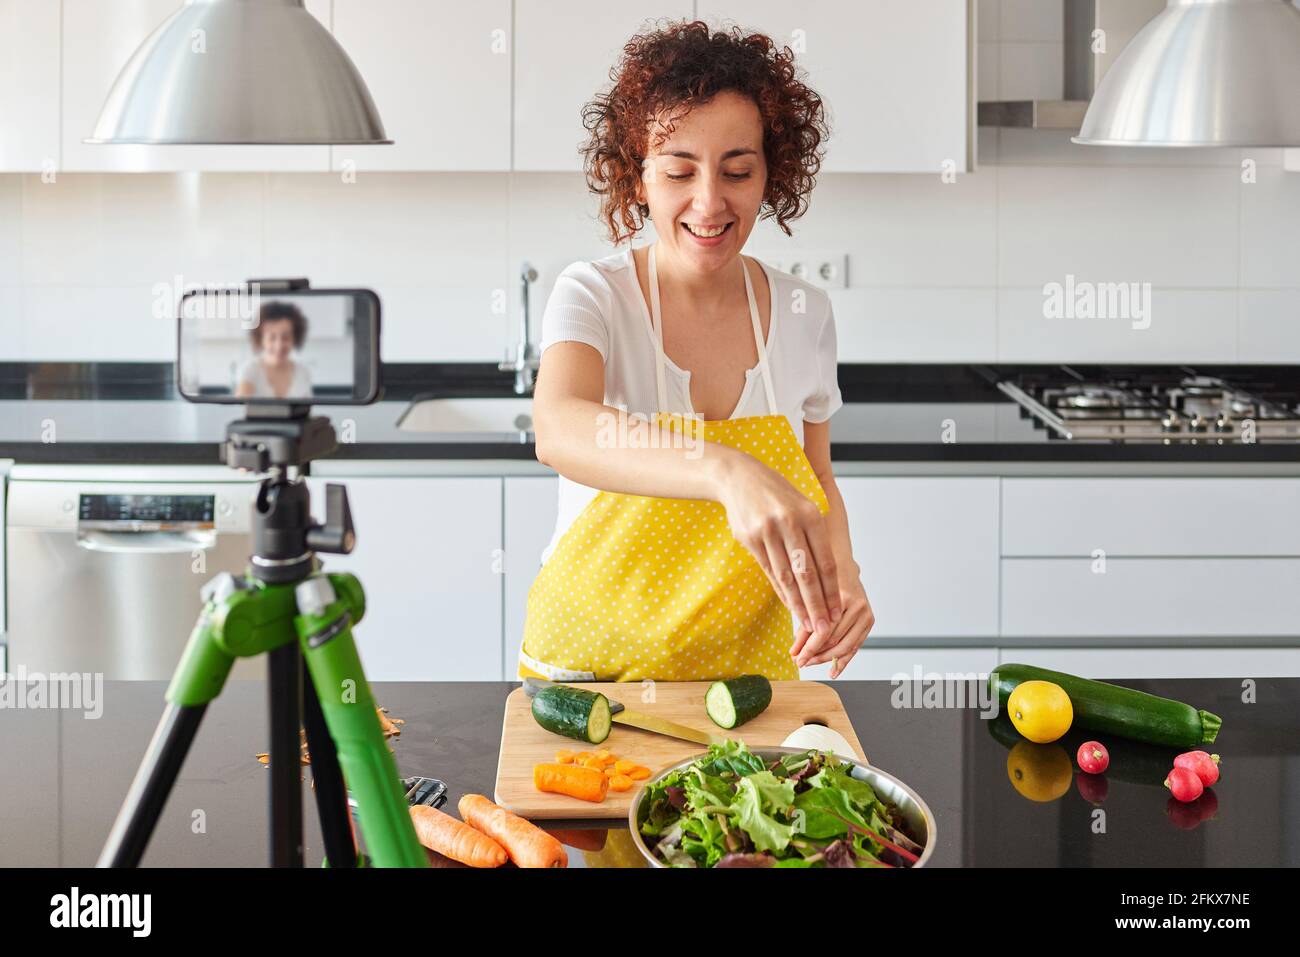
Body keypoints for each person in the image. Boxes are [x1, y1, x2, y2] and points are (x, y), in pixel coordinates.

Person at [520, 20, 874, 683]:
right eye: (679, 170)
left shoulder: (807, 314)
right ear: (638, 178)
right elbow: (559, 424)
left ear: (772, 174)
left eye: (737, 170)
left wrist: (842, 571)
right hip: (591, 669)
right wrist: (725, 470)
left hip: (751, 677)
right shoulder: (594, 295)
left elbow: (818, 475)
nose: (709, 201)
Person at [235, 301, 313, 400]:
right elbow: (241, 405)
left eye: (286, 337)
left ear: (295, 338)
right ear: (261, 339)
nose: (279, 345)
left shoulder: (303, 372)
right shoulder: (250, 370)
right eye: (272, 338)